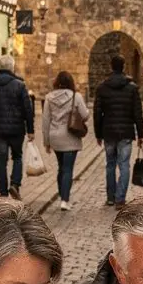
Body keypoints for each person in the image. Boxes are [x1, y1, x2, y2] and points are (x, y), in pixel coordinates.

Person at [0, 54, 35, 200]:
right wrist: (30, 129)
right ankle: (15, 184)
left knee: (1, 159)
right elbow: (27, 109)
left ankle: (3, 192)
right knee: (17, 157)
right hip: (16, 129)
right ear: (12, 67)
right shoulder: (20, 85)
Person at [93, 54, 143, 207]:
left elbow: (97, 113)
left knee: (110, 164)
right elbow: (137, 113)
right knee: (124, 165)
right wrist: (141, 134)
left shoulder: (102, 88)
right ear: (124, 67)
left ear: (111, 66)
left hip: (108, 132)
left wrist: (98, 133)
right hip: (126, 132)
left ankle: (110, 197)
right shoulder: (132, 88)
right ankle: (120, 198)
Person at [42, 69, 90, 211]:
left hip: (55, 137)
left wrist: (46, 142)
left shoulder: (49, 98)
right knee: (68, 169)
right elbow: (85, 115)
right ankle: (65, 200)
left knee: (61, 168)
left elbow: (45, 121)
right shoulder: (76, 96)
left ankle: (63, 195)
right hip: (70, 137)